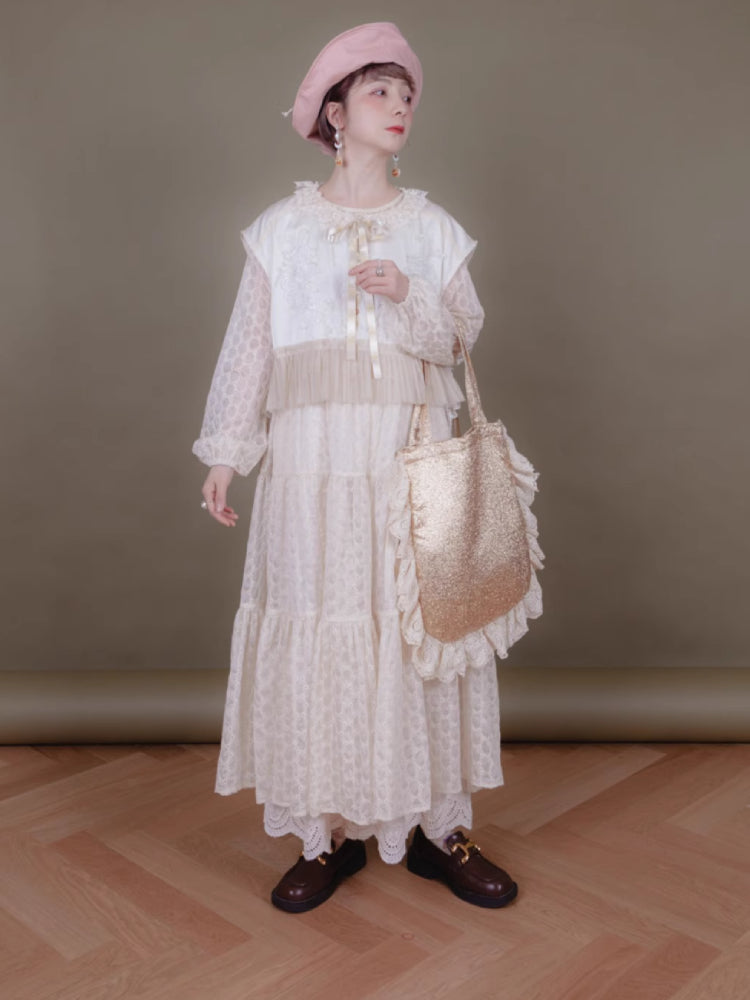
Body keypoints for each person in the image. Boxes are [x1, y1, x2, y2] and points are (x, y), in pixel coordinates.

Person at [193, 21, 524, 913]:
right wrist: (225, 453)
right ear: (335, 114)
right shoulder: (281, 231)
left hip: (408, 456)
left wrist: (408, 292)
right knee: (322, 620)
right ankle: (324, 832)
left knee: (425, 629)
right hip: (311, 466)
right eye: (380, 91)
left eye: (407, 93)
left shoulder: (433, 229)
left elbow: (460, 338)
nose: (400, 105)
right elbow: (249, 349)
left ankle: (440, 830)